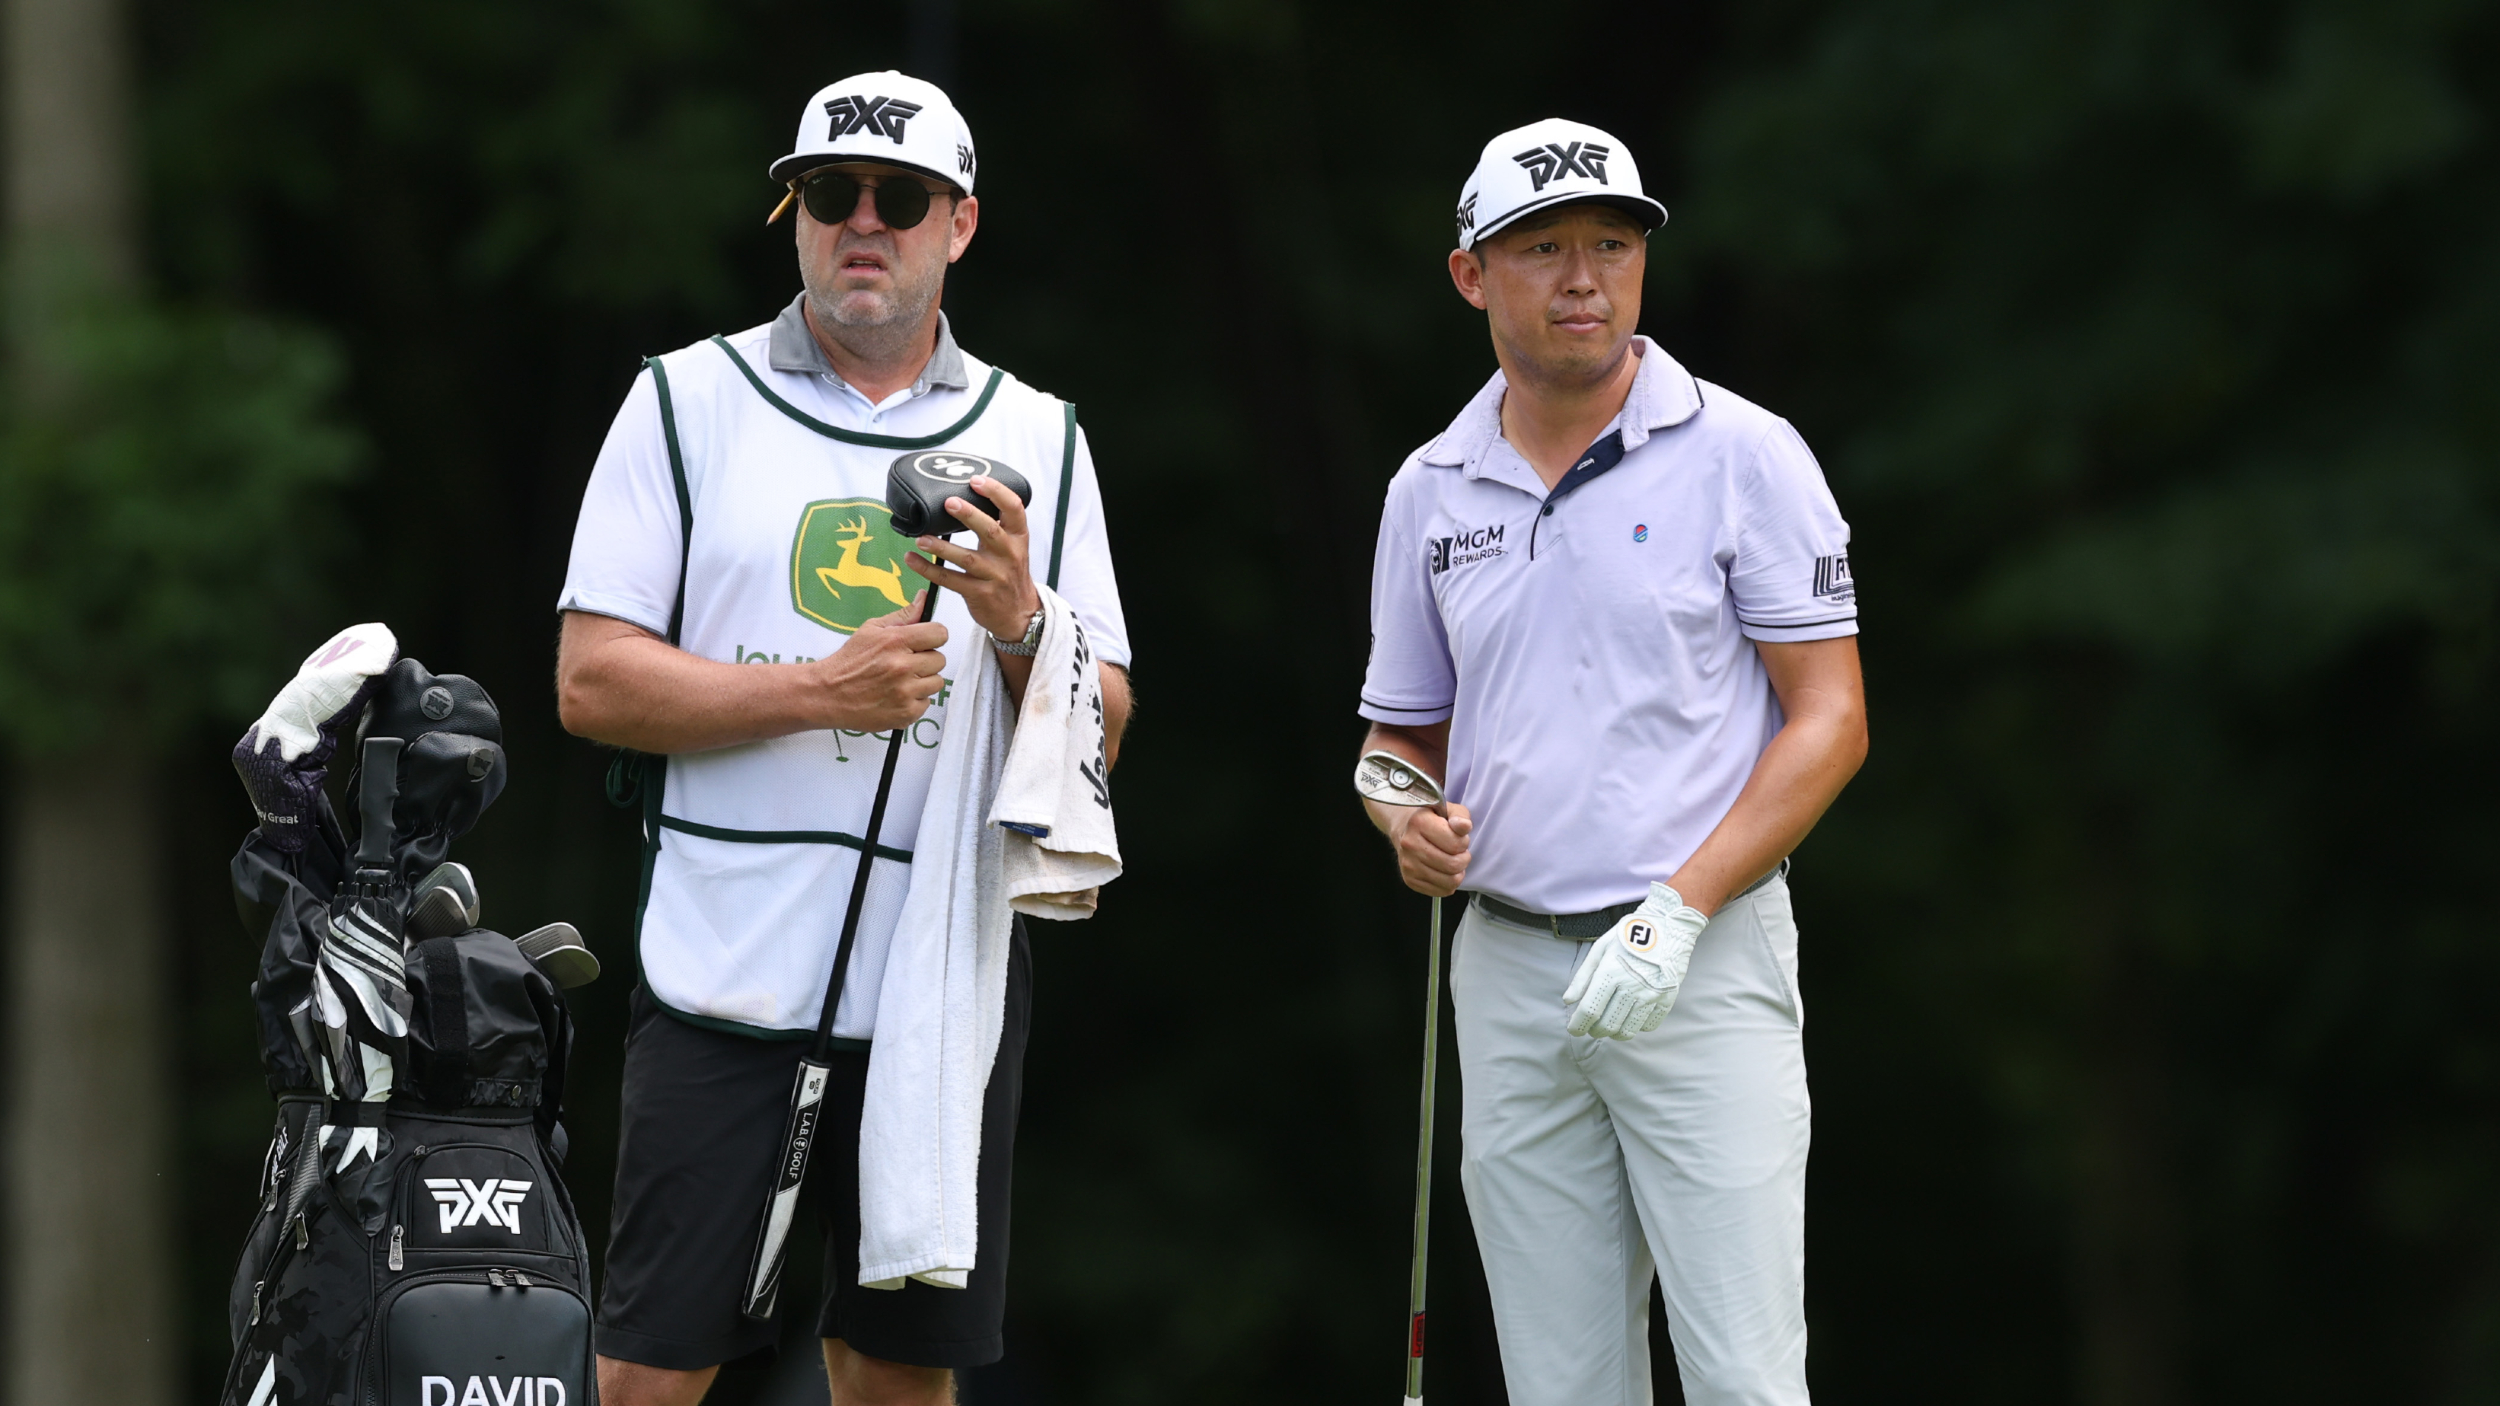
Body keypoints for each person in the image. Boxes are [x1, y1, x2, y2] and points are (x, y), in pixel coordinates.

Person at [554, 70, 1132, 1406]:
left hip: (942, 985)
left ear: (960, 225)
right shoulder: (684, 400)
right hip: (724, 970)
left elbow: (1102, 717)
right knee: (649, 1370)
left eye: (902, 198)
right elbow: (591, 679)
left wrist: (1017, 621)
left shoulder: (1038, 432)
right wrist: (820, 690)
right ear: (792, 217)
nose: (863, 222)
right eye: (831, 194)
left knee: (894, 1378)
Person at [1355, 118, 1867, 1406]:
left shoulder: (1746, 454)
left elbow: (1831, 720)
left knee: (1745, 1377)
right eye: (1544, 248)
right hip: (1511, 964)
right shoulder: (1431, 487)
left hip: (1699, 959)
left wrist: (1680, 913)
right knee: (1560, 1385)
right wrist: (1400, 818)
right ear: (1473, 272)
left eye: (1612, 244)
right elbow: (1397, 738)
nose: (1585, 277)